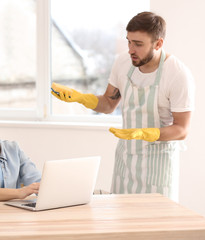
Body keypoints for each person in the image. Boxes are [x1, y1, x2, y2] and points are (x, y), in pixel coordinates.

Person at [51, 12, 195, 201]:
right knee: (121, 221)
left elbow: (181, 129)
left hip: (158, 165)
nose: (130, 50)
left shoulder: (177, 74)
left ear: (158, 44)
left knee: (157, 224)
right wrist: (81, 98)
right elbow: (109, 103)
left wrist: (145, 134)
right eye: (129, 41)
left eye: (138, 44)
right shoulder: (123, 63)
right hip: (126, 161)